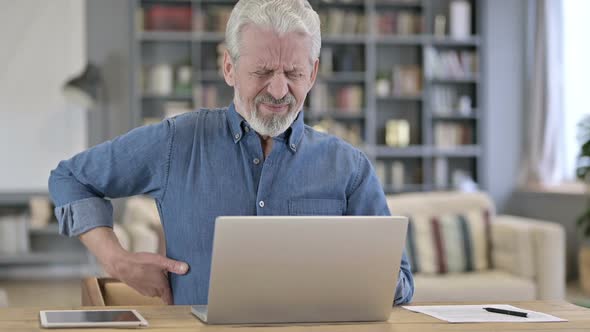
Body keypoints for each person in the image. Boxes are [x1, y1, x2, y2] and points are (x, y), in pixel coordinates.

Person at [48, 0, 414, 305]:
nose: (278, 88)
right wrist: (117, 260)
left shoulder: (348, 167)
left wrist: (339, 268)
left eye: (293, 73)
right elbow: (70, 178)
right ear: (229, 68)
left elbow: (401, 285)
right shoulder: (177, 141)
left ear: (313, 73)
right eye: (263, 70)